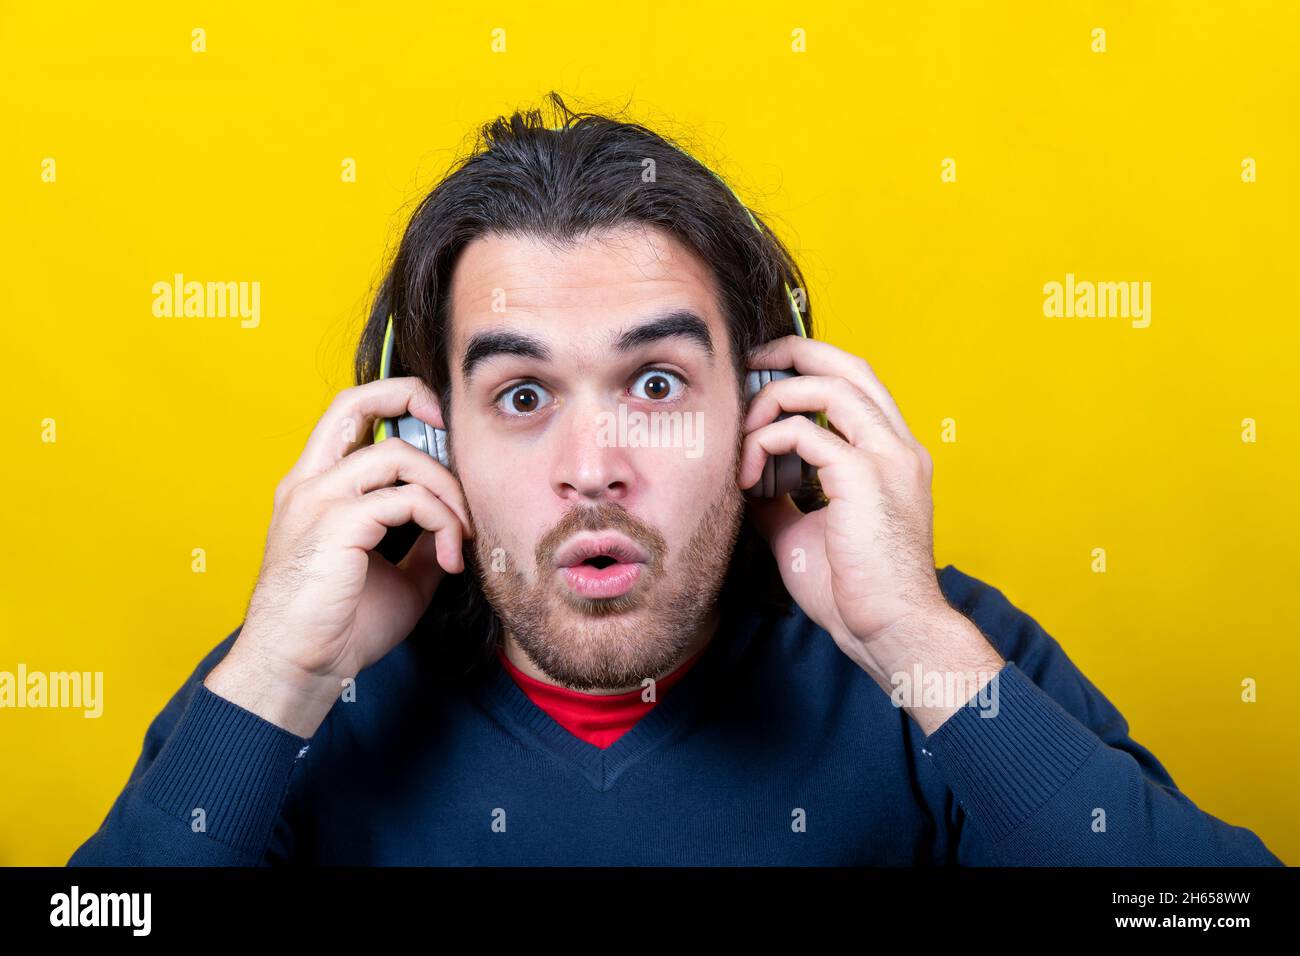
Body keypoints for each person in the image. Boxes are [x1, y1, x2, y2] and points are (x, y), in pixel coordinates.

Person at [68, 94, 1283, 866]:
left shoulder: (933, 656)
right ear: (426, 441)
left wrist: (909, 632)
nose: (593, 471)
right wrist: (276, 673)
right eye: (521, 396)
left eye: (654, 385)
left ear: (766, 410)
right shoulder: (291, 687)